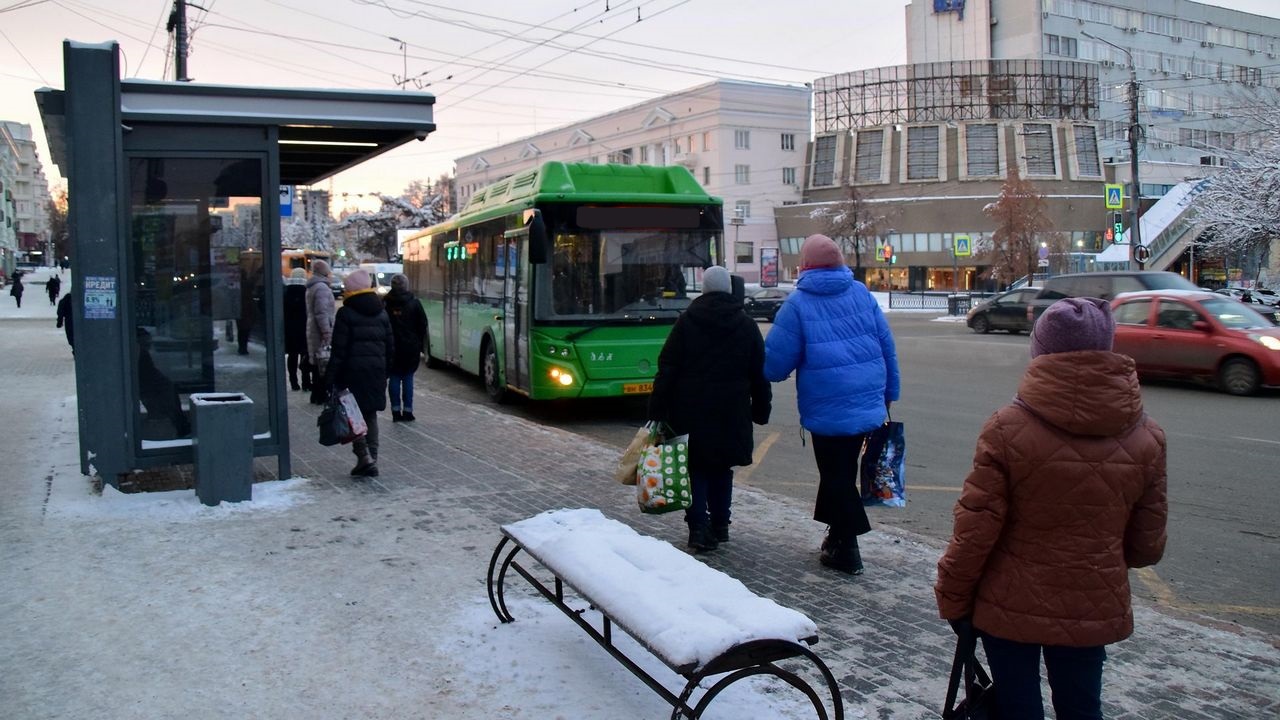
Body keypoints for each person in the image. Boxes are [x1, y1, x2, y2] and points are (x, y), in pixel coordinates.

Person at [935, 297, 1168, 720]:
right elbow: (1145, 549)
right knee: (1082, 709)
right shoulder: (1148, 437)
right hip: (1090, 606)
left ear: (1040, 352)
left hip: (1007, 607)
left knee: (1017, 708)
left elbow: (975, 532)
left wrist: (952, 597)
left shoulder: (1007, 428)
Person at [763, 234, 900, 576]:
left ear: (806, 265)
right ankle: (836, 541)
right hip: (868, 401)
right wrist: (890, 393)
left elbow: (775, 367)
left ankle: (849, 547)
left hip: (826, 408)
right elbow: (887, 345)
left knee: (836, 477)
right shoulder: (861, 293)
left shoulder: (798, 304)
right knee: (840, 473)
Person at [648, 265, 771, 551]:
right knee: (721, 469)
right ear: (729, 288)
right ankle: (720, 525)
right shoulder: (746, 325)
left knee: (696, 469)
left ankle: (698, 528)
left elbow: (667, 369)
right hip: (732, 411)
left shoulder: (686, 322)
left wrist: (656, 410)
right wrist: (761, 410)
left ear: (703, 289)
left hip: (690, 410)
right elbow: (758, 374)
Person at [324, 269, 393, 479]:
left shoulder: (346, 313)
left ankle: (364, 457)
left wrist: (330, 377)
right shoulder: (382, 313)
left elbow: (339, 350)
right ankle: (372, 459)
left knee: (353, 416)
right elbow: (390, 347)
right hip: (376, 373)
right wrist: (385, 371)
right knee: (371, 415)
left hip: (352, 374)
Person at [383, 273, 427, 422]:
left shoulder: (385, 303)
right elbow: (423, 325)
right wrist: (418, 342)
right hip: (410, 347)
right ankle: (408, 411)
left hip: (391, 347)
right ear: (406, 286)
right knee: (408, 377)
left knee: (394, 377)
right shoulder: (414, 303)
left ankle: (395, 411)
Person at [305, 259, 336, 406]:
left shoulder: (312, 287)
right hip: (320, 331)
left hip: (313, 329)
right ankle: (320, 394)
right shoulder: (322, 288)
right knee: (323, 363)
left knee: (318, 363)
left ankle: (316, 394)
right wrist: (327, 332)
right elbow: (322, 313)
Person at [283, 268, 311, 391]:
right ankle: (306, 381)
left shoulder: (286, 291)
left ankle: (293, 381)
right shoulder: (307, 291)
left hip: (289, 328)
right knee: (305, 355)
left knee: (292, 356)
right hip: (304, 327)